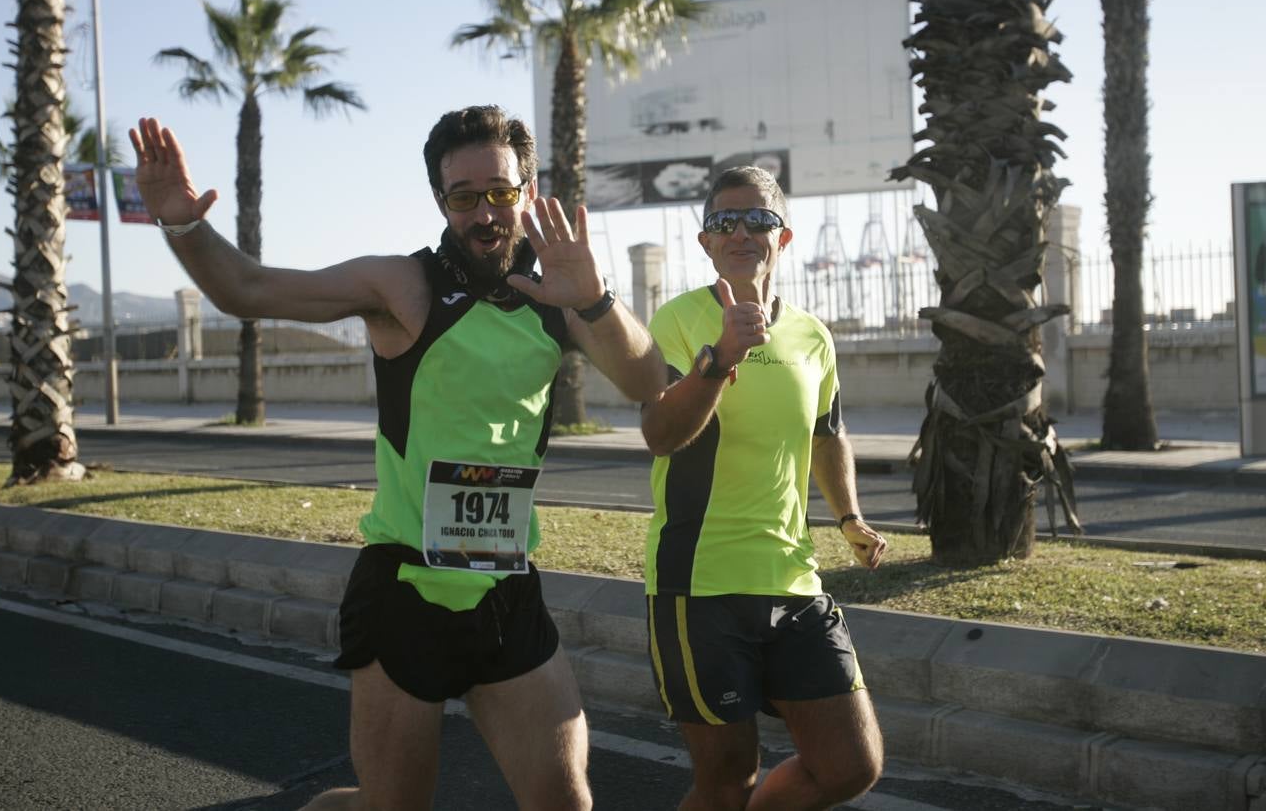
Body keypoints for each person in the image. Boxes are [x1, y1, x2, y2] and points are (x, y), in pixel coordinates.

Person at [128, 107, 666, 811]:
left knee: (567, 805)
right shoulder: (401, 286)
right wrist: (183, 225)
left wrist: (594, 299)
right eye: (463, 196)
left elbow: (648, 383)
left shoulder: (559, 297)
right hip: (406, 588)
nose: (484, 213)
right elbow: (247, 289)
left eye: (500, 192)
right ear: (441, 202)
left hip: (504, 588)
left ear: (527, 194)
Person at [640, 166, 888, 810]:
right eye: (725, 222)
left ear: (784, 237)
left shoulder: (812, 335)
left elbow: (828, 434)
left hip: (794, 579)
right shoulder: (677, 319)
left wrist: (849, 516)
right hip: (699, 584)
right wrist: (719, 358)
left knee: (850, 765)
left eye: (759, 220)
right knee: (725, 781)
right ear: (705, 241)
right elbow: (661, 431)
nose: (741, 232)